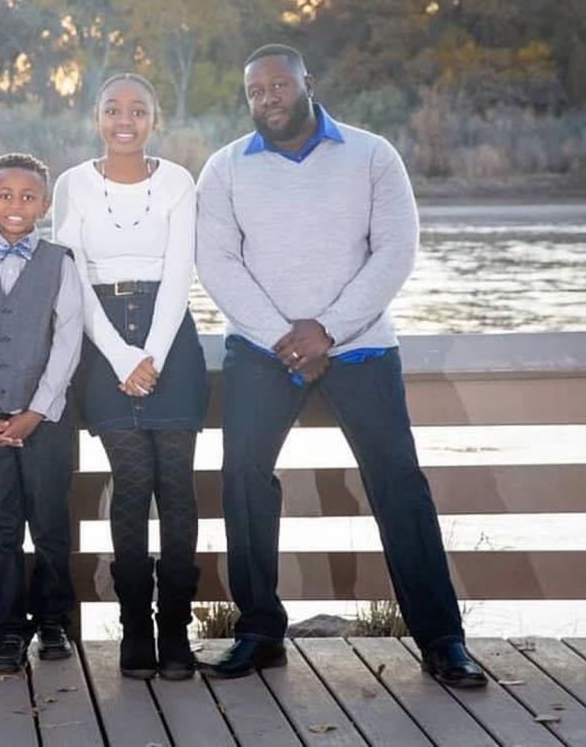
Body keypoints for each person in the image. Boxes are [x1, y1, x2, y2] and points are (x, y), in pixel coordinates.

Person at [195, 43, 487, 687]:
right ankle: (259, 631)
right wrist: (284, 337)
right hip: (262, 351)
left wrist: (326, 330)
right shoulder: (225, 168)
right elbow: (216, 263)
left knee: (398, 483)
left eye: (278, 85)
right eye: (255, 91)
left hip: (360, 348)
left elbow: (394, 253)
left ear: (308, 83)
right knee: (243, 477)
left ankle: (442, 640)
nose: (267, 98)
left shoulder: (372, 155)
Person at [53, 74, 207, 681]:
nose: (125, 119)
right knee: (131, 485)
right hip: (103, 342)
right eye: (113, 109)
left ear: (154, 119)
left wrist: (154, 356)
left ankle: (175, 631)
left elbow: (179, 273)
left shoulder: (177, 182)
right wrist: (121, 358)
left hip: (171, 342)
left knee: (177, 490)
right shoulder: (71, 185)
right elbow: (74, 276)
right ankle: (135, 629)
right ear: (97, 117)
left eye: (138, 110)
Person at [0, 153, 83, 673]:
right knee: (0, 524)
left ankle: (52, 623)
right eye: (5, 195)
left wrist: (37, 411)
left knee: (49, 523)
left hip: (44, 421)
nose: (16, 205)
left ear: (44, 206)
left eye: (28, 197)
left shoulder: (59, 262)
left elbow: (68, 344)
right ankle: (7, 633)